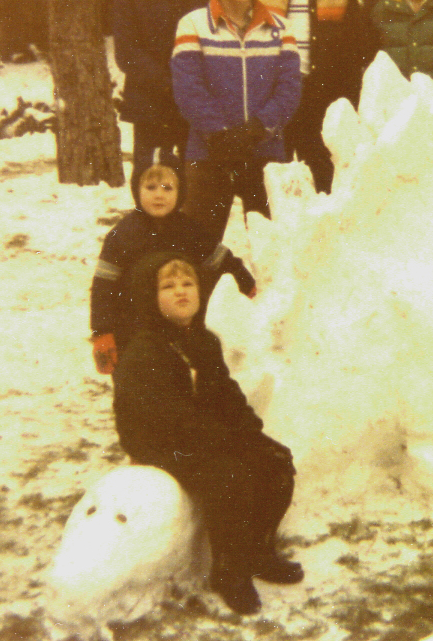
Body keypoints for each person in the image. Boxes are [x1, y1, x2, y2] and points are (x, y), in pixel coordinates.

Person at [113, 253, 302, 615]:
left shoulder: (202, 341)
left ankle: (259, 552)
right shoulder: (146, 349)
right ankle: (229, 571)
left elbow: (225, 393)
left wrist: (250, 430)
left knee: (275, 462)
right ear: (150, 298)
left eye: (188, 284)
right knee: (230, 477)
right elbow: (168, 416)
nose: (181, 292)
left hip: (201, 436)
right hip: (159, 443)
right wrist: (224, 440)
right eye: (168, 287)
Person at [171, 0, 302, 244]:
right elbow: (188, 89)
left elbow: (289, 89)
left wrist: (256, 129)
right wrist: (219, 134)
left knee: (273, 247)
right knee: (198, 245)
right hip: (209, 153)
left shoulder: (282, 29)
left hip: (265, 151)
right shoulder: (192, 25)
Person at [89, 163, 255, 375]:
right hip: (133, 326)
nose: (159, 195)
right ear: (136, 191)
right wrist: (102, 332)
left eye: (167, 188)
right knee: (139, 376)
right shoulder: (122, 235)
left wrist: (249, 287)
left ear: (181, 192)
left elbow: (223, 261)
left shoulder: (190, 230)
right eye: (150, 187)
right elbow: (103, 286)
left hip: (183, 322)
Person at [258, 0, 367, 192]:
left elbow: (353, 52)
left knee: (321, 186)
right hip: (275, 98)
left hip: (321, 99)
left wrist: (348, 104)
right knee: (272, 186)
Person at [112, 0, 209, 202]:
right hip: (151, 104)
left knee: (193, 184)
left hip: (194, 104)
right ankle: (149, 249)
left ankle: (183, 249)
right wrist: (170, 84)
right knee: (151, 183)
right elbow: (127, 54)